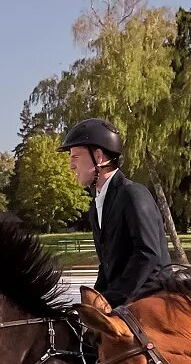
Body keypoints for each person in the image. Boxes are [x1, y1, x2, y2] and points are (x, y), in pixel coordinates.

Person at [60, 117, 170, 308]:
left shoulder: (133, 194)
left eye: (75, 157)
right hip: (125, 301)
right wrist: (94, 301)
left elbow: (147, 254)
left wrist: (111, 299)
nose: (71, 165)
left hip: (154, 299)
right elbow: (107, 266)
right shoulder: (96, 208)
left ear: (99, 156)